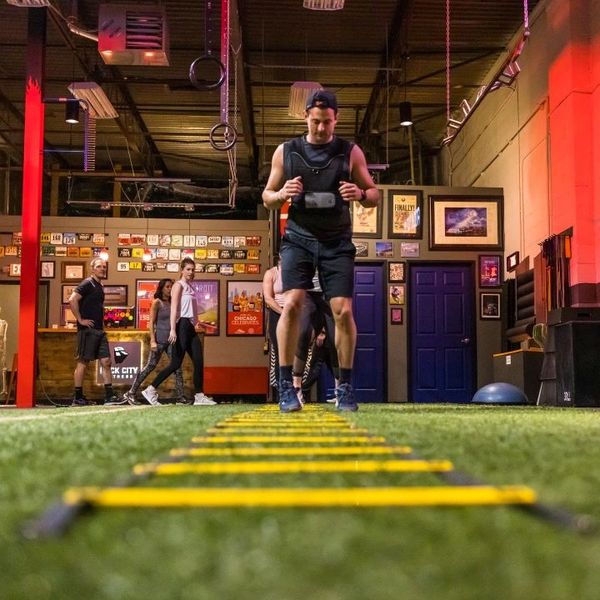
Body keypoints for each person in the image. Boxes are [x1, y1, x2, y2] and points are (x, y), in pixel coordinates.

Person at [262, 89, 378, 412]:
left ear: (336, 119)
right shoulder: (286, 152)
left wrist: (360, 193)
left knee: (341, 310)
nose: (321, 128)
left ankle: (346, 388)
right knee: (293, 303)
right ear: (306, 118)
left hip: (337, 241)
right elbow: (266, 196)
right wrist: (283, 192)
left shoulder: (349, 152)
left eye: (327, 122)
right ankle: (287, 385)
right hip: (298, 238)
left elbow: (374, 192)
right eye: (316, 122)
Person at [142, 257, 215, 406]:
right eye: (188, 269)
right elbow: (174, 308)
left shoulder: (190, 287)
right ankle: (150, 389)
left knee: (199, 361)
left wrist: (196, 321)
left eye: (193, 270)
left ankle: (199, 396)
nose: (191, 272)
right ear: (182, 270)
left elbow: (192, 308)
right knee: (175, 363)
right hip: (181, 325)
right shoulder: (178, 285)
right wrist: (173, 330)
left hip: (190, 326)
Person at [119, 279, 185, 405]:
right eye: (167, 287)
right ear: (161, 288)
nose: (170, 289)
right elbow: (151, 323)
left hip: (171, 341)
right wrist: (153, 341)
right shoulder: (157, 302)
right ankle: (131, 393)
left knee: (177, 367)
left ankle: (181, 397)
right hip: (159, 340)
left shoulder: (173, 303)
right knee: (150, 366)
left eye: (171, 287)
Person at [69, 258, 118, 406]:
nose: (102, 269)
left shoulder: (99, 285)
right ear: (92, 269)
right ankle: (78, 397)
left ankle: (109, 396)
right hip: (87, 330)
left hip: (99, 330)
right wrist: (80, 320)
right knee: (83, 362)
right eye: (99, 266)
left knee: (106, 362)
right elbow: (72, 299)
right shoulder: (87, 283)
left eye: (104, 267)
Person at [262, 256, 286, 399]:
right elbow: (268, 298)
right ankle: (280, 391)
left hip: (294, 312)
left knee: (296, 352)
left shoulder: (294, 271)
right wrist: (283, 312)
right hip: (278, 313)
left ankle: (297, 390)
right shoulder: (271, 273)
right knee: (279, 352)